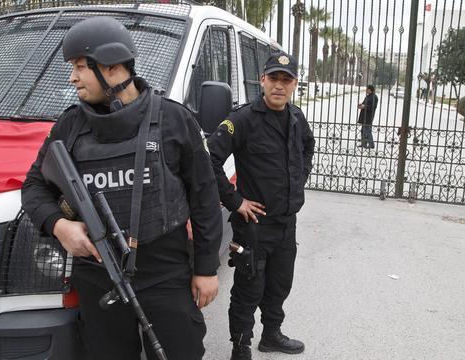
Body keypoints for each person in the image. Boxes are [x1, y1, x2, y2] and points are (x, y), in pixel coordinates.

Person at [21, 17, 222, 360]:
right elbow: (34, 187)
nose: (73, 78)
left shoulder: (173, 119)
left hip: (165, 272)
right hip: (98, 276)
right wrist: (59, 225)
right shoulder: (70, 125)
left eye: (80, 67)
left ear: (112, 67)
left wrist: (206, 268)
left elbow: (204, 197)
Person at [208, 51, 315, 360]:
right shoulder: (242, 120)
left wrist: (300, 178)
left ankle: (271, 334)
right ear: (263, 80)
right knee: (248, 289)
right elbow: (209, 159)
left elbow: (308, 146)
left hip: (286, 222)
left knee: (279, 284)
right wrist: (235, 200)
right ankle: (240, 347)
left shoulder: (296, 117)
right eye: (274, 79)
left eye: (286, 80)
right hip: (254, 226)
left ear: (294, 84)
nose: (279, 86)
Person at [357, 84, 378, 149]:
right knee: (363, 130)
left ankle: (371, 145)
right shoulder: (368, 96)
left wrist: (364, 106)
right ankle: (364, 144)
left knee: (367, 131)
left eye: (367, 89)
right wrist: (361, 105)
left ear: (370, 90)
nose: (366, 90)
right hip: (364, 116)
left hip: (369, 116)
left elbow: (373, 107)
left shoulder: (374, 97)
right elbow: (364, 103)